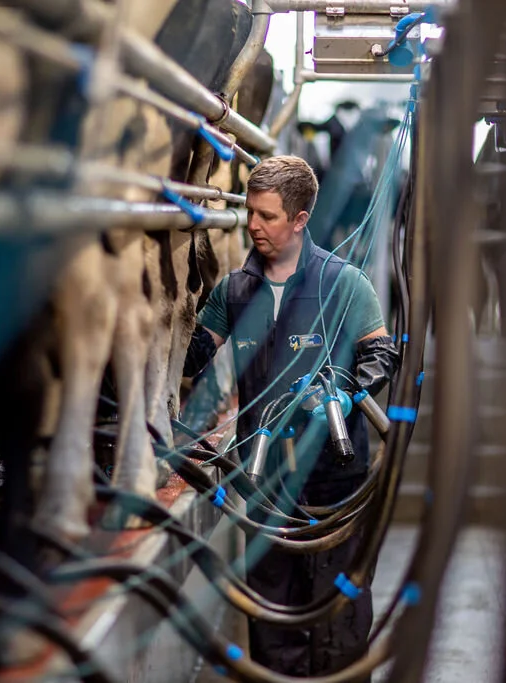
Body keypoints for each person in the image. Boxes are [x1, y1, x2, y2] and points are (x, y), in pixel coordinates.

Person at [183, 155, 399, 677]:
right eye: (250, 213)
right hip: (265, 481)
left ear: (300, 220)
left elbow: (380, 354)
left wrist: (345, 390)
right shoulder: (235, 292)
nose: (252, 224)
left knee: (339, 618)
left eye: (267, 215)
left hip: (334, 482)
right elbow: (190, 359)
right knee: (271, 619)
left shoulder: (343, 284)